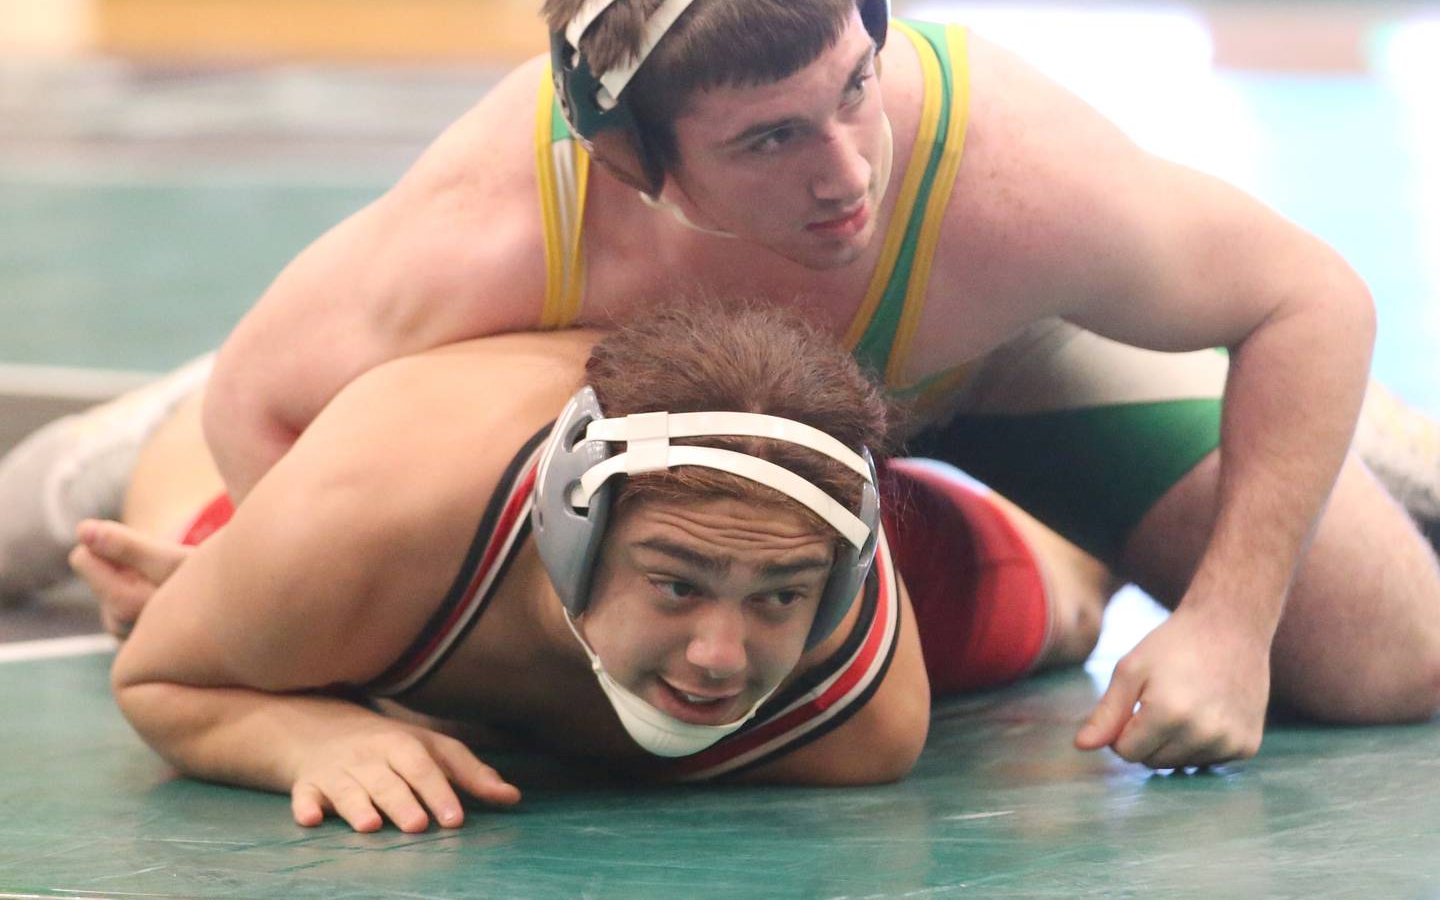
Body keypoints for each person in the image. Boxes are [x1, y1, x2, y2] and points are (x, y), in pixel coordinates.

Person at [4, 0, 1439, 771]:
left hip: (996, 356)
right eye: (767, 142)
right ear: (636, 161)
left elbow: (1309, 292)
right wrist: (274, 601)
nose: (847, 175)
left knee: (1385, 662)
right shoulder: (509, 225)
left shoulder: (1007, 177)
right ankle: (111, 440)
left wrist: (1234, 627)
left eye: (856, 88)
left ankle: (1343, 436)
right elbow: (262, 398)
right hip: (647, 386)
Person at [71, 302, 1111, 833]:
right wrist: (304, 730)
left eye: (780, 598)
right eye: (675, 583)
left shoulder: (858, 719)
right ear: (573, 526)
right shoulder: (374, 514)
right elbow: (157, 674)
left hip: (782, 474)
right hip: (393, 464)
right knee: (184, 542)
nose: (718, 655)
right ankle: (161, 417)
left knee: (1073, 600)